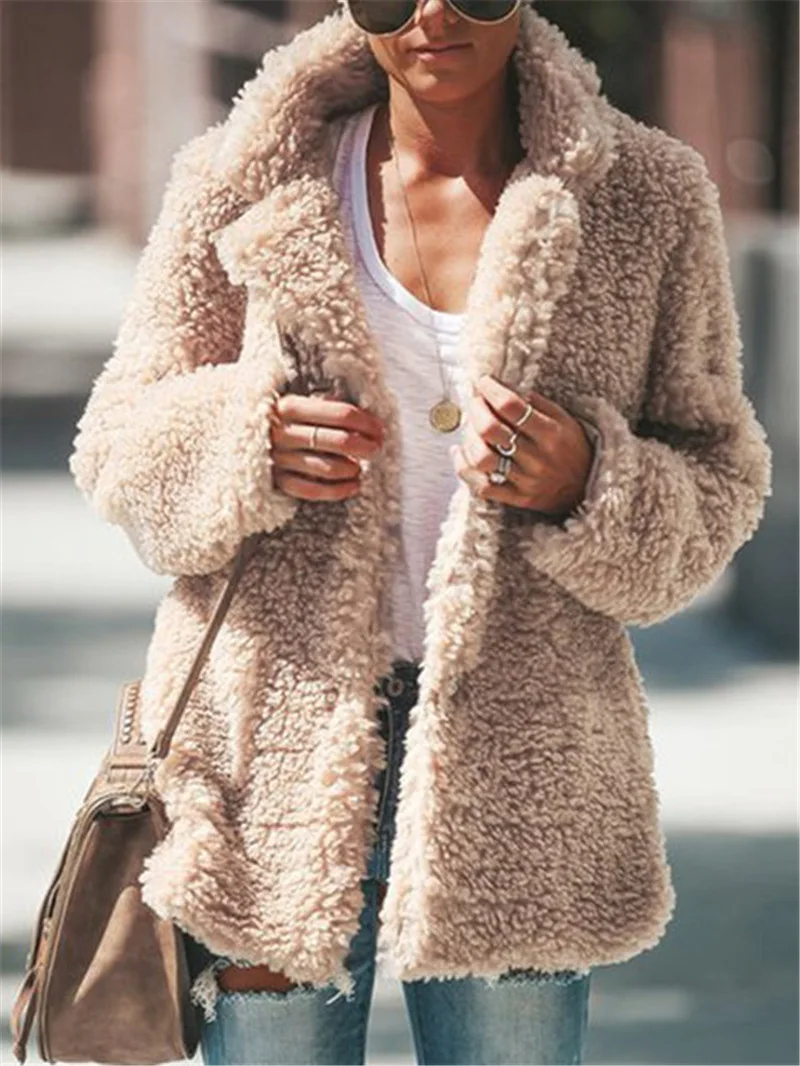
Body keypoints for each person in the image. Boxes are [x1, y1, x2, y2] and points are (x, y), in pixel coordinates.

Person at [67, 0, 773, 1062]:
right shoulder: (245, 175)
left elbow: (720, 478)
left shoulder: (644, 197)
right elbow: (117, 443)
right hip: (271, 751)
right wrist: (245, 441)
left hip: (527, 758)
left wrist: (591, 479)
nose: (433, 13)